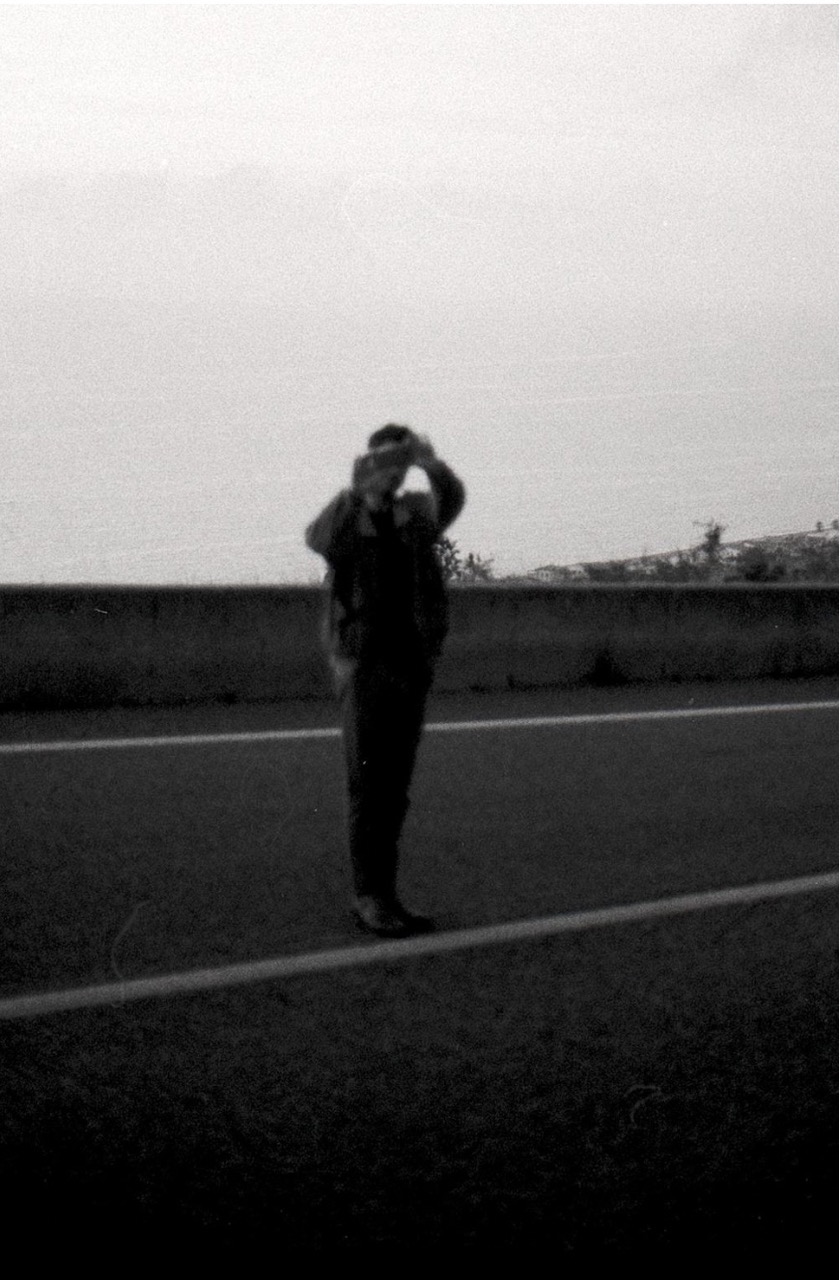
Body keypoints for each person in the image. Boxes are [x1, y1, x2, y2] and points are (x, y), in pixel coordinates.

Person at [305, 424, 466, 937]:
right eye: (382, 460)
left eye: (398, 461)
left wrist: (431, 462)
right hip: (363, 666)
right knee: (367, 785)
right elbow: (320, 540)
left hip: (409, 663)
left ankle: (388, 895)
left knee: (394, 789)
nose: (391, 472)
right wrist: (358, 491)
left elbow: (451, 501)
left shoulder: (414, 513)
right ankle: (368, 897)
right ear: (367, 462)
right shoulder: (348, 514)